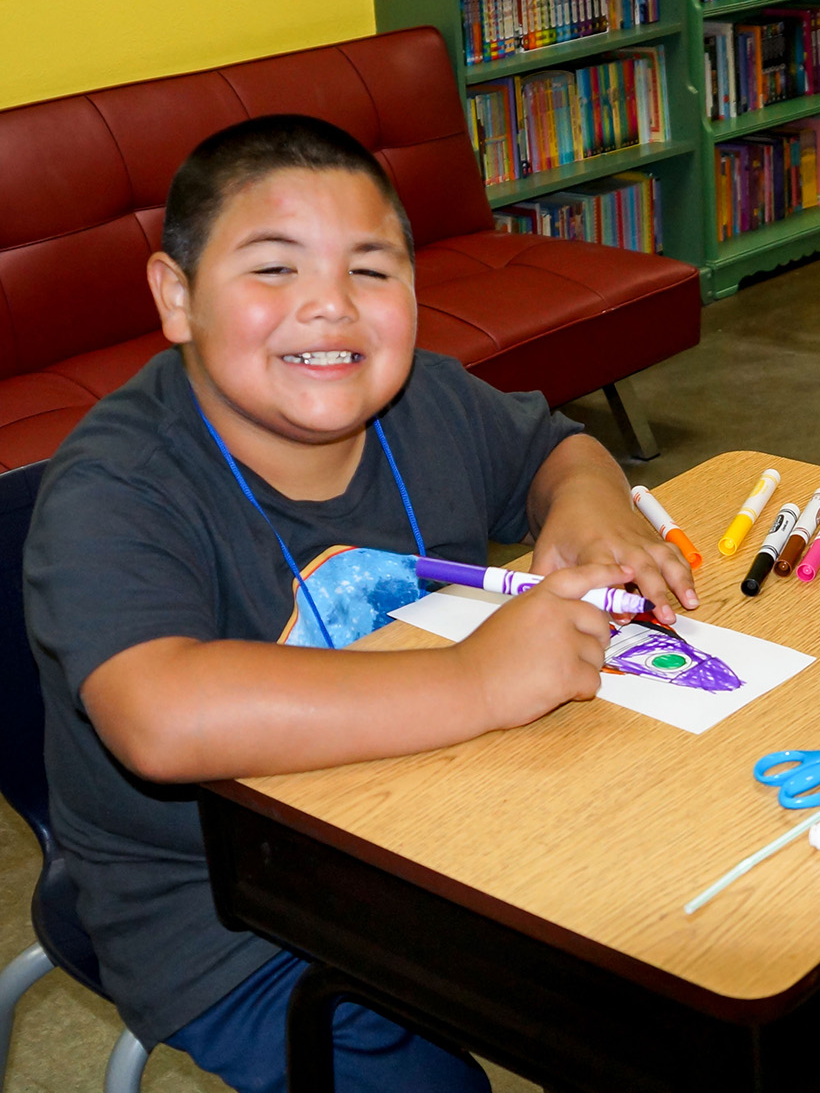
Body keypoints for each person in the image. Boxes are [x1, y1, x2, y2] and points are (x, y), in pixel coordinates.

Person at [24, 114, 697, 1091]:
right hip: (221, 913)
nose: (330, 309)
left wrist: (593, 512)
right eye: (273, 269)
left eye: (372, 271)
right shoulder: (119, 487)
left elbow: (558, 446)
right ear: (177, 298)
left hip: (438, 829)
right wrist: (476, 678)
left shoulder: (424, 401)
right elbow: (159, 717)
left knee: (677, 964)